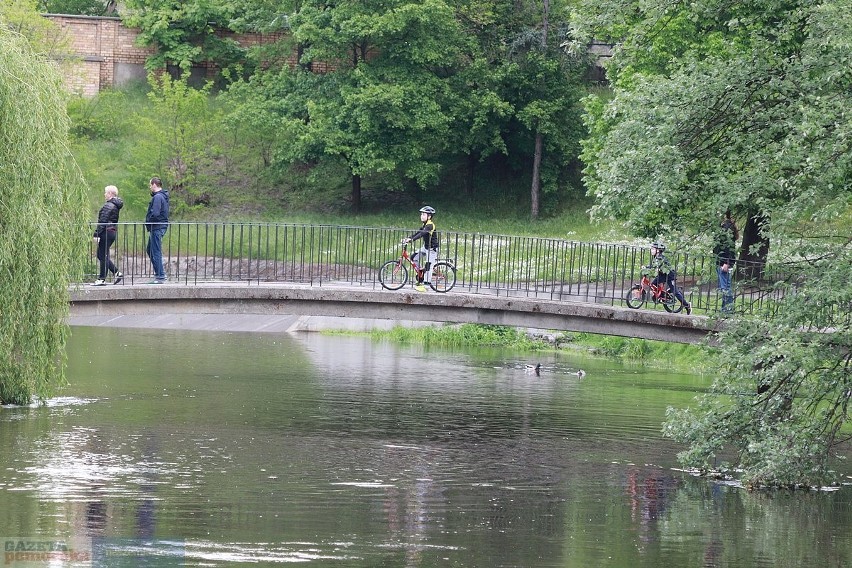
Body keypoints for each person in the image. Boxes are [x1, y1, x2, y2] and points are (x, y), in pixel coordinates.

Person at [648, 242, 692, 315]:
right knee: (653, 284)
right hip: (662, 275)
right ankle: (662, 296)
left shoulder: (662, 258)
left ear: (658, 250)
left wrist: (658, 268)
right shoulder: (656, 257)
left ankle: (687, 305)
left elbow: (663, 266)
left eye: (653, 249)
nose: (651, 250)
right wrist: (646, 268)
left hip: (669, 276)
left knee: (675, 292)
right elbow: (653, 266)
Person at [92, 185, 124, 286]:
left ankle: (102, 279)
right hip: (111, 231)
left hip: (106, 231)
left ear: (110, 193)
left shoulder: (108, 206)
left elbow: (103, 221)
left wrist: (96, 234)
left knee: (102, 255)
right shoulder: (114, 205)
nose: (104, 194)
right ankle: (117, 273)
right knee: (101, 254)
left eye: (106, 192)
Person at [402, 206, 439, 292]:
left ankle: (426, 286)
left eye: (423, 214)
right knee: (413, 258)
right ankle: (421, 274)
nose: (421, 216)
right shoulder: (424, 224)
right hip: (425, 247)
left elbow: (422, 234)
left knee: (428, 266)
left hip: (432, 249)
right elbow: (418, 233)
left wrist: (412, 240)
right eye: (421, 214)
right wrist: (409, 238)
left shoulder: (430, 225)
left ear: (429, 216)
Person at [144, 177, 170, 284]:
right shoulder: (162, 196)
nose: (150, 187)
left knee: (155, 251)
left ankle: (160, 276)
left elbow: (155, 213)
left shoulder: (158, 197)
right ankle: (159, 274)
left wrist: (149, 221)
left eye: (150, 185)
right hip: (158, 226)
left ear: (154, 184)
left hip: (157, 227)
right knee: (150, 249)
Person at [713, 210, 739, 313]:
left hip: (724, 262)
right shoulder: (726, 227)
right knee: (725, 287)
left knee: (725, 287)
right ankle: (725, 309)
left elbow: (728, 247)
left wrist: (726, 262)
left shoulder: (726, 228)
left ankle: (728, 310)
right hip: (723, 261)